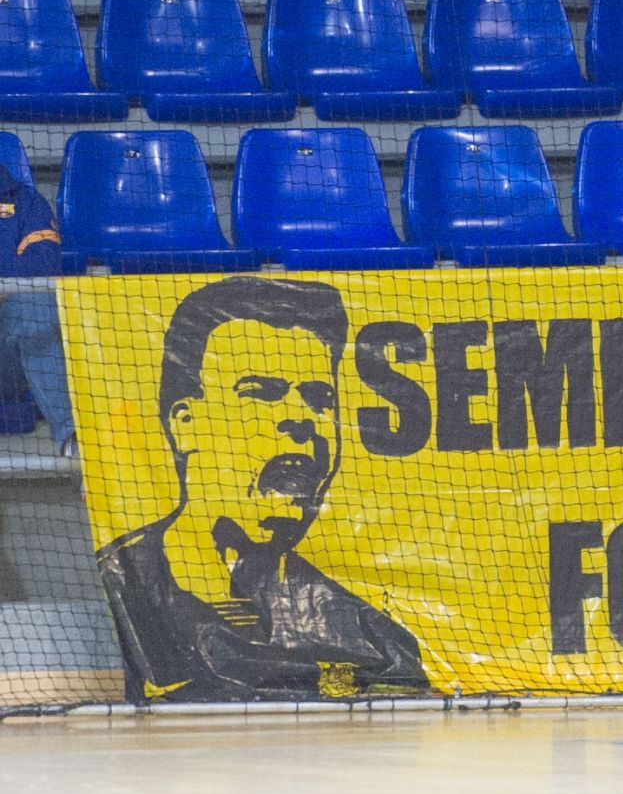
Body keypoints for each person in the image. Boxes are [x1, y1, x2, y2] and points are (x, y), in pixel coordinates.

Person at [98, 275, 429, 702]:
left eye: (320, 398)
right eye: (262, 393)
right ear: (185, 423)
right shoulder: (120, 585)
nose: (302, 419)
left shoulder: (373, 636)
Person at [0, 164, 74, 456]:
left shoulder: (26, 203)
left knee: (35, 302)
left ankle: (72, 440)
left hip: (5, 359)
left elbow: (42, 266)